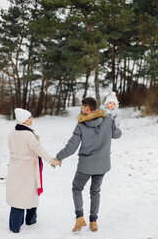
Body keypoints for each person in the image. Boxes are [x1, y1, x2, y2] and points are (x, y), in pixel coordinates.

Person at [55, 97, 122, 232]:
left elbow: (71, 147)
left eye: (81, 107)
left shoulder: (81, 125)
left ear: (87, 108)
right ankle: (93, 221)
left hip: (85, 166)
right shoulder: (108, 120)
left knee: (77, 188)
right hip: (102, 165)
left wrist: (58, 157)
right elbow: (117, 134)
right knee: (95, 191)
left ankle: (80, 218)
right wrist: (115, 122)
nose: (81, 109)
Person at [6, 108, 61, 233]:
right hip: (27, 169)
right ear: (23, 120)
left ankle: (15, 224)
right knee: (29, 193)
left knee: (17, 195)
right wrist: (52, 160)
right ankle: (30, 220)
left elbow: (11, 147)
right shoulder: (28, 135)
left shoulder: (12, 133)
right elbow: (39, 150)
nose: (32, 119)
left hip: (15, 168)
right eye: (29, 117)